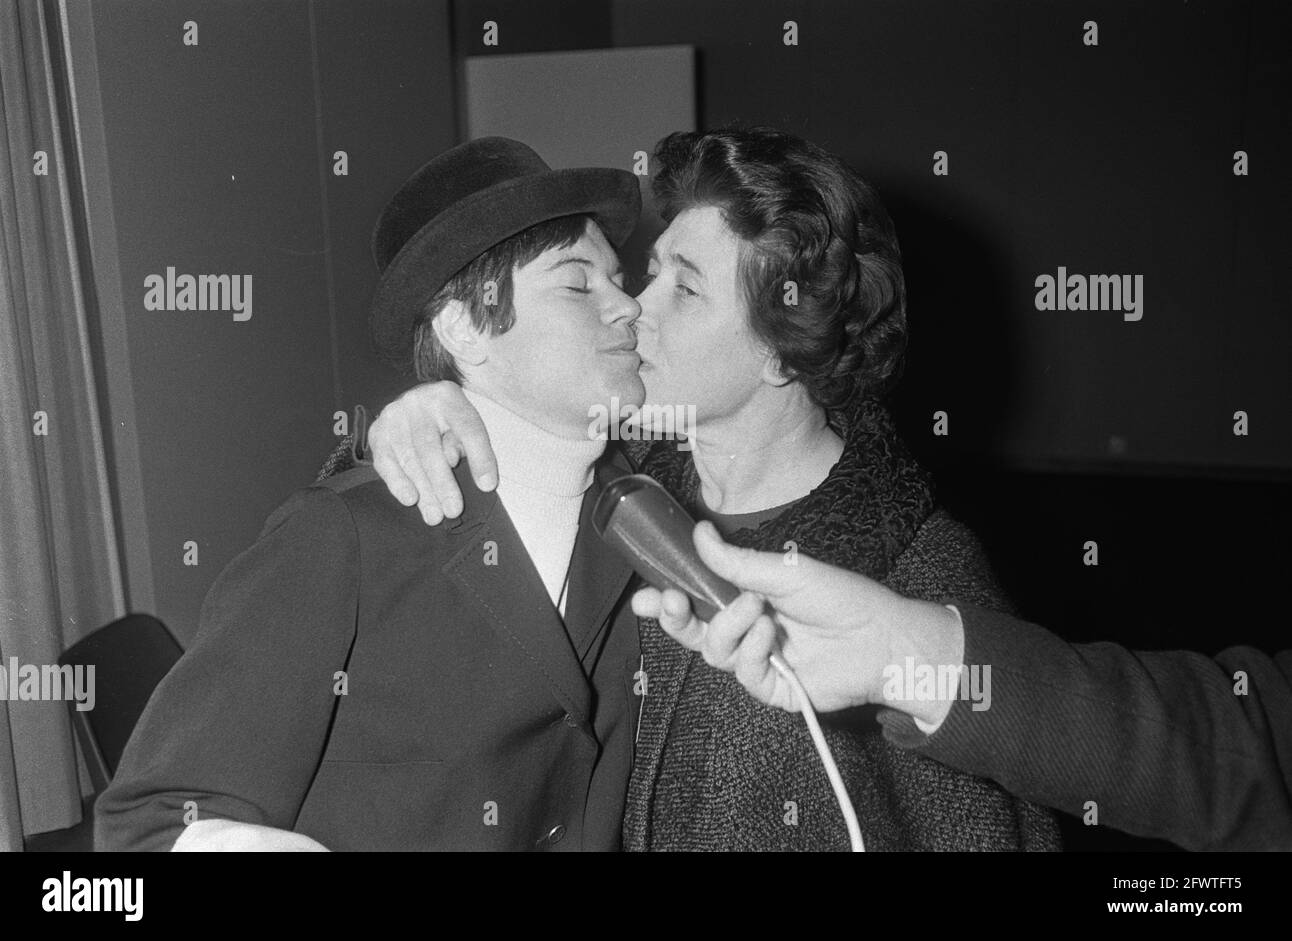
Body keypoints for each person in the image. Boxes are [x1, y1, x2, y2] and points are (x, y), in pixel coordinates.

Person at [328, 126, 1061, 850]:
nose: (633, 306)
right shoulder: (610, 487)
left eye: (685, 287)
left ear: (780, 347)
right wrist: (409, 423)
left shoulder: (920, 582)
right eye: (652, 271)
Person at [94, 138, 648, 851]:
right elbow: (153, 822)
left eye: (619, 278)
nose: (627, 305)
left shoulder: (637, 523)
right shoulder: (342, 537)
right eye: (579, 284)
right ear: (464, 327)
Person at [631, 520, 1292, 852]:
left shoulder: (929, 557)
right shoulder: (639, 550)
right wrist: (901, 652)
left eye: (686, 289)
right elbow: (1242, 747)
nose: (638, 307)